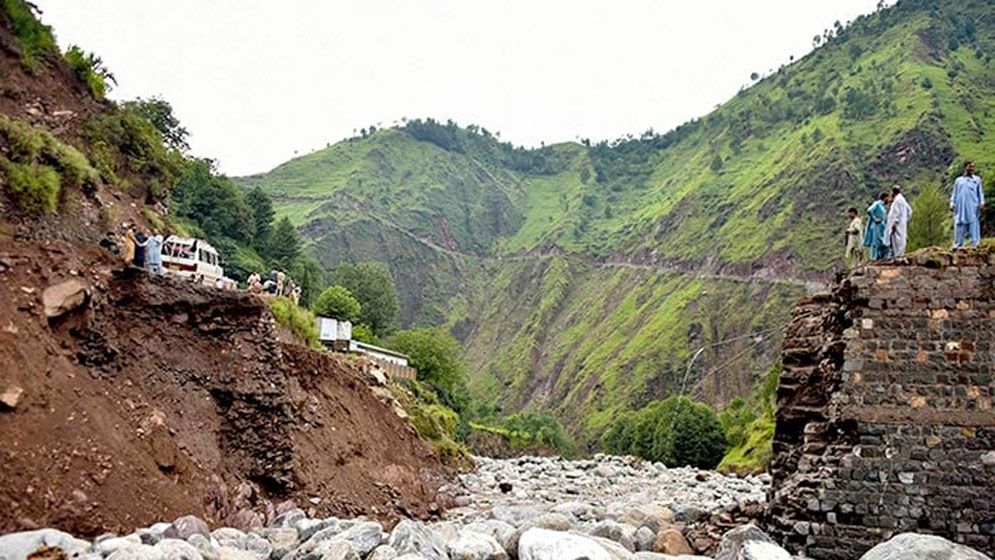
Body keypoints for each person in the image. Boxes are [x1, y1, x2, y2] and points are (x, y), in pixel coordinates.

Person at [951, 161, 984, 247]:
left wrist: (981, 202)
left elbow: (980, 192)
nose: (972, 169)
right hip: (960, 206)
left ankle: (975, 243)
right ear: (965, 167)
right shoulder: (958, 180)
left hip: (973, 205)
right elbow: (954, 193)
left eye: (973, 167)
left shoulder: (977, 180)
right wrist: (952, 203)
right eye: (970, 167)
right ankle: (958, 244)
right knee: (959, 223)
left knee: (973, 223)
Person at [886, 184, 912, 257]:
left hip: (897, 225)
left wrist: (895, 223)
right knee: (900, 240)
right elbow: (909, 211)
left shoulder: (898, 200)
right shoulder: (902, 199)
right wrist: (905, 220)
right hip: (901, 224)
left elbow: (897, 213)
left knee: (897, 241)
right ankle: (898, 255)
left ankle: (898, 256)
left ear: (894, 192)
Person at [864, 192, 891, 261]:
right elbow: (869, 210)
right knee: (876, 243)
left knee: (882, 243)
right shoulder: (877, 203)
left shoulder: (883, 207)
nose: (889, 200)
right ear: (885, 198)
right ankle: (873, 258)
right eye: (888, 198)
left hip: (882, 227)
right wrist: (875, 218)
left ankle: (881, 258)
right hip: (876, 226)